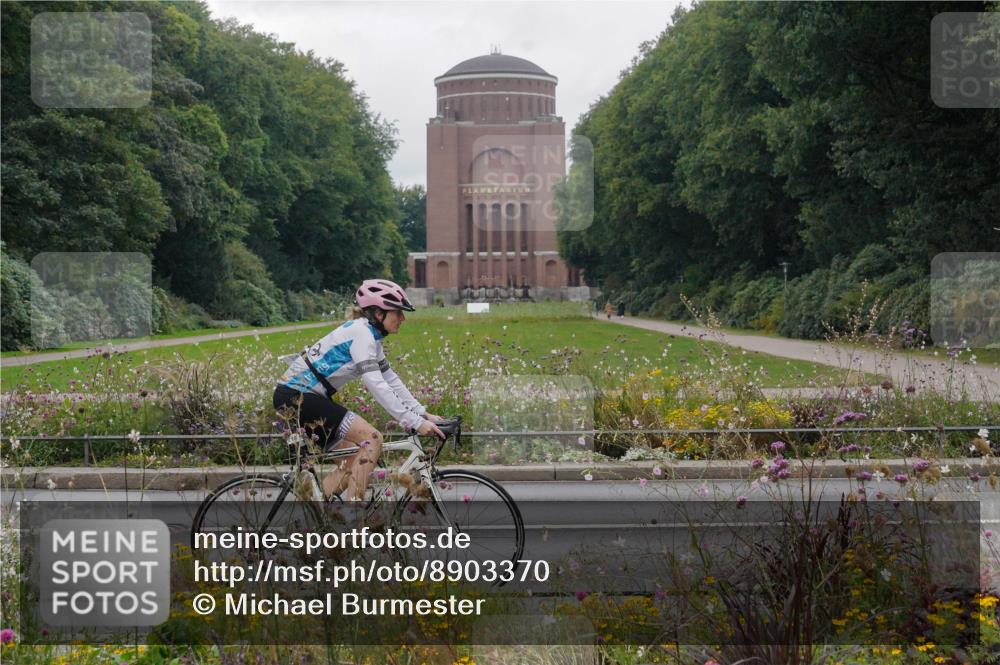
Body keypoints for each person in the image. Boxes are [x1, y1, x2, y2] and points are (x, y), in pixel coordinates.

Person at [273, 279, 445, 501]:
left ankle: (313, 521)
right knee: (372, 439)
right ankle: (356, 525)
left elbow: (390, 379)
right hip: (297, 396)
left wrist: (421, 413)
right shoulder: (361, 335)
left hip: (302, 396)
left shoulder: (370, 337)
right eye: (398, 312)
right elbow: (377, 385)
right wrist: (415, 423)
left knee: (352, 462)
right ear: (379, 313)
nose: (402, 318)